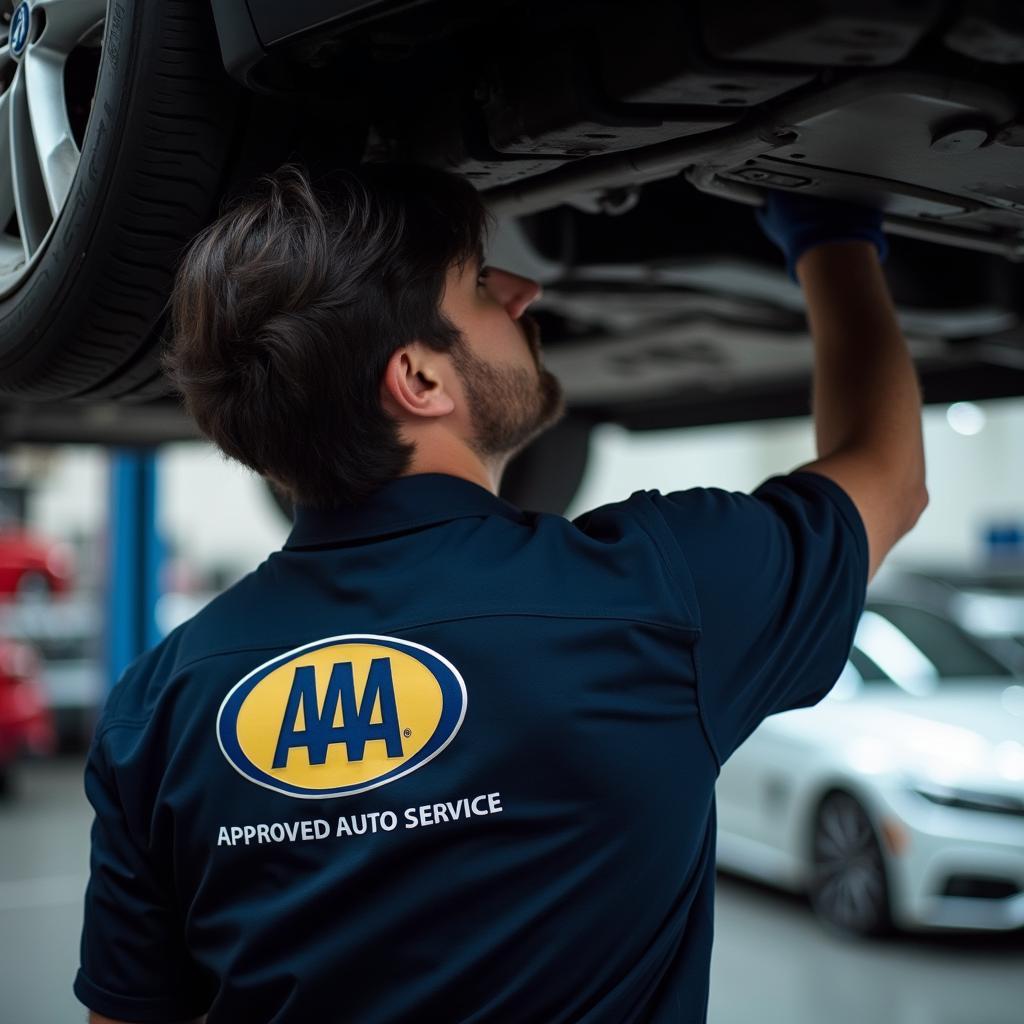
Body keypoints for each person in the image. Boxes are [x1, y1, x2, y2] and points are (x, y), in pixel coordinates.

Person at [75, 164, 927, 1024]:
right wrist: (832, 241)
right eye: (480, 284)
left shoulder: (156, 706)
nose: (520, 292)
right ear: (419, 378)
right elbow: (886, 472)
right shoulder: (657, 594)